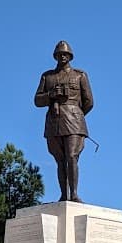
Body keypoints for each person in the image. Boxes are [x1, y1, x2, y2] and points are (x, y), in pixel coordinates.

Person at [33, 40, 94, 202]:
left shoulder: (80, 75)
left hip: (74, 121)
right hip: (54, 122)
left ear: (70, 56)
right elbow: (37, 100)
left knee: (72, 156)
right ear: (55, 56)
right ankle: (64, 195)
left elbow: (89, 101)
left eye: (65, 54)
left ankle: (74, 194)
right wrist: (51, 95)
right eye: (59, 54)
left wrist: (77, 114)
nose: (62, 56)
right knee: (60, 160)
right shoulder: (47, 77)